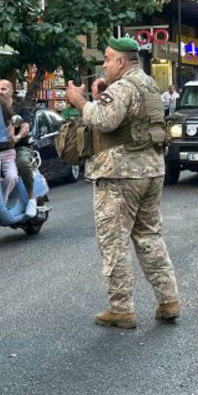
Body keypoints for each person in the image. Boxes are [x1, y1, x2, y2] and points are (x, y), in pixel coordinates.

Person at [65, 36, 180, 328]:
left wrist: (80, 101)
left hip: (121, 173)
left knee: (113, 241)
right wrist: (101, 94)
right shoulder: (150, 85)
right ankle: (169, 300)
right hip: (151, 169)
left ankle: (121, 308)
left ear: (120, 61)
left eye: (107, 59)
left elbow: (103, 121)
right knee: (150, 236)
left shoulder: (124, 87)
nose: (104, 65)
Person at [0, 79, 38, 216]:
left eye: (4, 89)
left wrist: (18, 136)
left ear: (11, 91)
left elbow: (26, 126)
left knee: (22, 162)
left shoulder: (20, 108)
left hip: (19, 147)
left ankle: (31, 199)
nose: (0, 92)